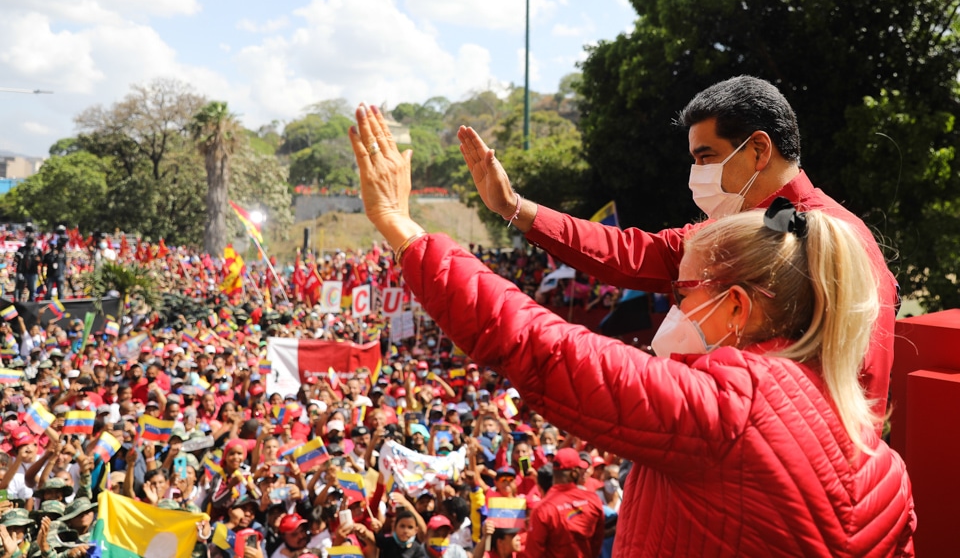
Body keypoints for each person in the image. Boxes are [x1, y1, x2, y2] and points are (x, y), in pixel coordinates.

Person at [347, 103, 915, 556]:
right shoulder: (884, 471)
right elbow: (638, 250)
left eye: (686, 293)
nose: (676, 311)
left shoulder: (727, 410)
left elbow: (548, 350)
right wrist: (517, 208)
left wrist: (402, 229)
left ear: (742, 306)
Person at [458, 76, 898, 425]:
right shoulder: (736, 225)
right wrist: (513, 208)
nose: (696, 174)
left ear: (759, 150)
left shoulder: (826, 241)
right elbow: (632, 252)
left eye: (706, 157)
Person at [523, 449, 604, 558]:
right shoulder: (594, 500)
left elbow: (533, 553)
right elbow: (597, 544)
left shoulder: (542, 509)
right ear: (574, 472)